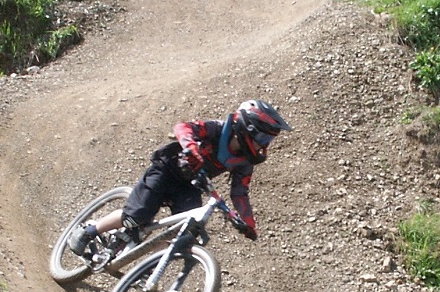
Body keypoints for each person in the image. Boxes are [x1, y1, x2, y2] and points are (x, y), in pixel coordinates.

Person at [67, 100, 293, 256]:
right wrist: (191, 147)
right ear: (248, 127)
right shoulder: (218, 129)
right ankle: (89, 231)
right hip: (167, 169)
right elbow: (183, 127)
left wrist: (248, 223)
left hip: (191, 186)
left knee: (184, 232)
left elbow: (239, 193)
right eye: (263, 137)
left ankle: (149, 265)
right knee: (137, 214)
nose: (264, 144)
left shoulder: (243, 162)